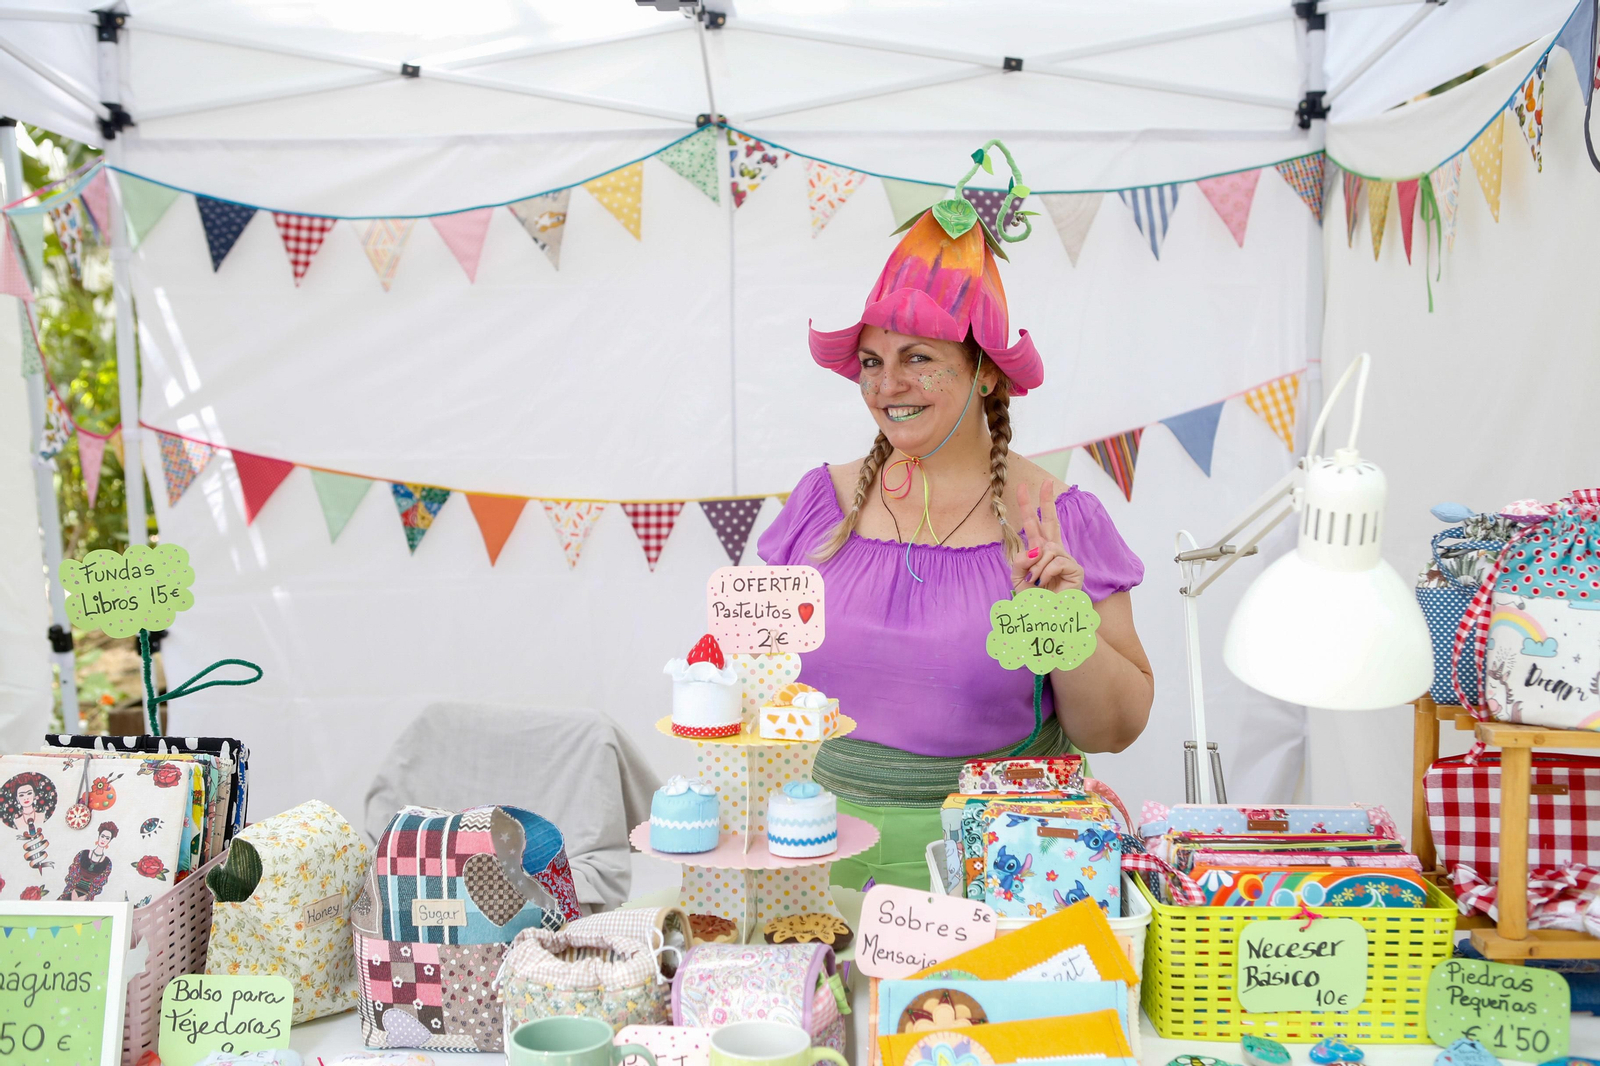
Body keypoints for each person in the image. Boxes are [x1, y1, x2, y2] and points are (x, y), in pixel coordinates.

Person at [758, 143, 1154, 890]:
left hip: (1001, 864)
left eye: (918, 358)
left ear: (985, 371)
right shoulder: (820, 506)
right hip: (823, 857)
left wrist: (1064, 623)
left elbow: (1115, 730)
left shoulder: (1057, 518)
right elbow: (764, 682)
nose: (887, 385)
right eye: (872, 362)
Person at [63, 821, 118, 901]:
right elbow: (73, 872)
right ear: (99, 836)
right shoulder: (83, 853)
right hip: (72, 891)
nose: (104, 840)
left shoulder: (107, 862)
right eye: (102, 836)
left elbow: (100, 882)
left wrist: (87, 894)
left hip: (87, 896)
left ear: (109, 841)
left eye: (107, 838)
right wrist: (73, 890)